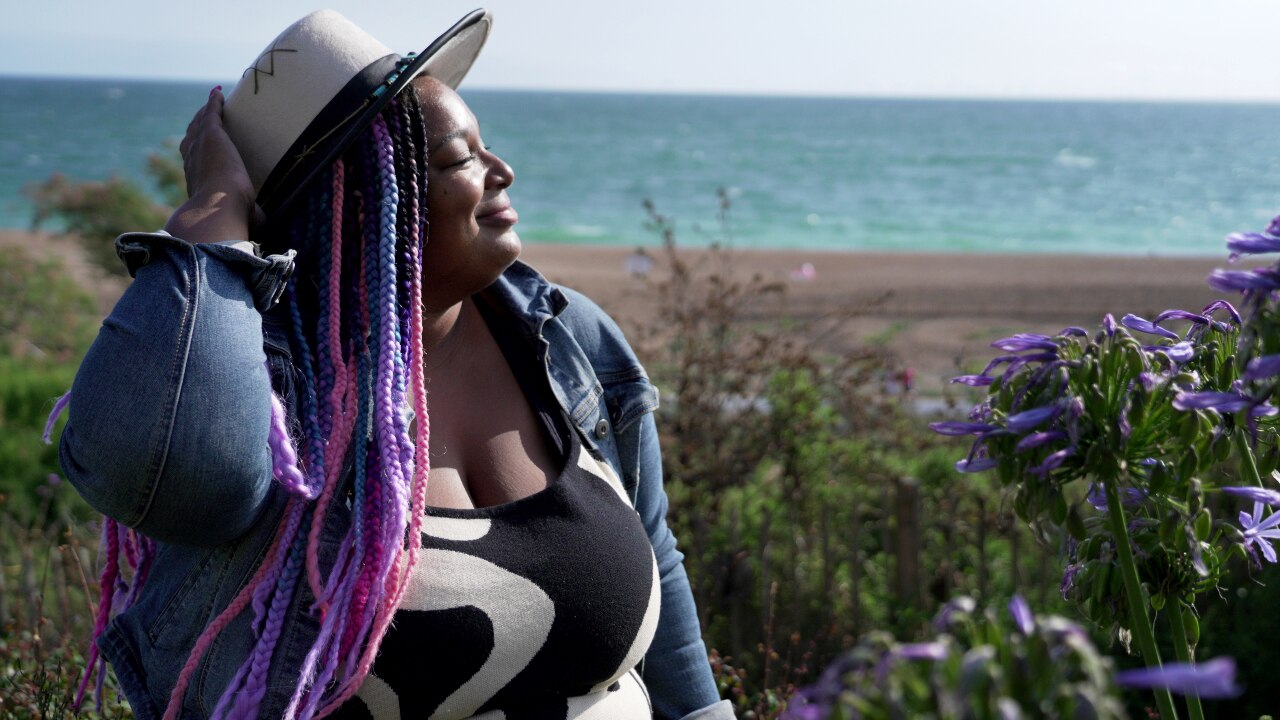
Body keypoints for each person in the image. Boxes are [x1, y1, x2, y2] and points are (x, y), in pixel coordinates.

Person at [54, 10, 732, 720]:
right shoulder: (269, 385)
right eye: (459, 160)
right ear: (361, 201)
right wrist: (213, 224)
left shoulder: (568, 339)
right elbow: (182, 478)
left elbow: (659, 563)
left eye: (484, 147)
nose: (502, 172)